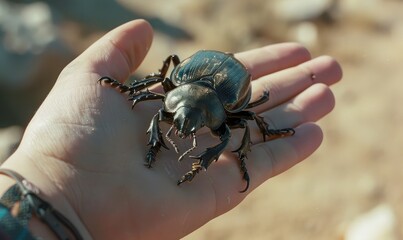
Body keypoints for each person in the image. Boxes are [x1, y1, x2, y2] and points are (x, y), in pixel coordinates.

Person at [0, 19, 342, 239]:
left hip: (223, 87)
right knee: (164, 109)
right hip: (199, 85)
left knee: (242, 126)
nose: (183, 126)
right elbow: (163, 86)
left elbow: (236, 121)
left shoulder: (217, 110)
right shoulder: (171, 90)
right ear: (173, 96)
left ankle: (216, 159)